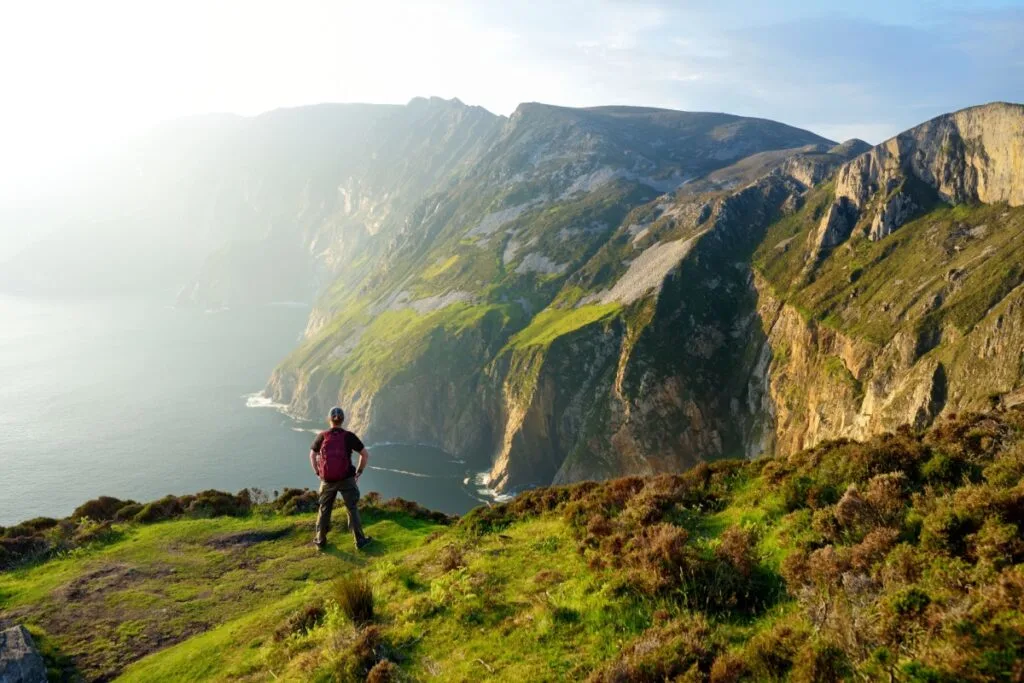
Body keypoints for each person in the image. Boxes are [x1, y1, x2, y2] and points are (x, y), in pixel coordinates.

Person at [309, 407, 373, 550]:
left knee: (324, 509)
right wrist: (359, 472)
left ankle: (320, 541)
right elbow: (365, 455)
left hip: (327, 480)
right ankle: (360, 541)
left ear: (329, 419)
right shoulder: (349, 436)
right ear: (343, 419)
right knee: (352, 508)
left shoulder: (322, 436)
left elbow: (312, 455)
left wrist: (318, 473)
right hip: (347, 479)